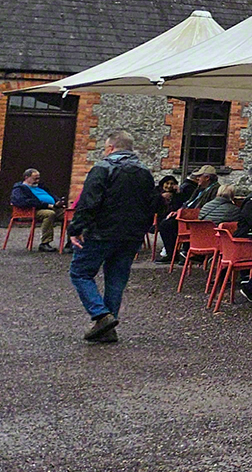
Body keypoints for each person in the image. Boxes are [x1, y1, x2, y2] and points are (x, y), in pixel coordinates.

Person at [68, 130, 156, 344]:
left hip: (101, 232)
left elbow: (89, 202)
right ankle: (107, 327)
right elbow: (151, 204)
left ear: (110, 148)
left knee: (80, 272)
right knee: (116, 279)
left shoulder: (103, 168)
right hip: (131, 235)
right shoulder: (144, 173)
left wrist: (76, 228)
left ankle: (101, 315)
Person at [11, 167, 63, 250]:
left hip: (52, 207)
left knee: (69, 214)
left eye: (38, 178)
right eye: (35, 179)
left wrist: (58, 201)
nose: (37, 181)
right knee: (49, 214)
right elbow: (22, 201)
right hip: (33, 210)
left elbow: (51, 195)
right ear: (26, 177)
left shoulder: (41, 187)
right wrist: (46, 205)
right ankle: (45, 243)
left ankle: (71, 243)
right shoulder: (19, 189)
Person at [153, 175, 181, 263]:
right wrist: (161, 197)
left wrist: (178, 194)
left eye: (172, 184)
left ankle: (172, 252)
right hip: (158, 218)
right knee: (166, 226)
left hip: (172, 218)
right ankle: (170, 252)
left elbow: (179, 206)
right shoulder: (156, 192)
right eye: (167, 183)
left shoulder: (176, 195)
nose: (169, 186)